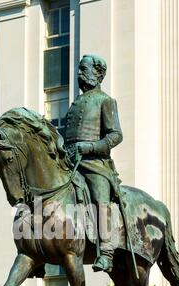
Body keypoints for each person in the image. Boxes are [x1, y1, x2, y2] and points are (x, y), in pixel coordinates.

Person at [64, 54, 123, 273]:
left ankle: (106, 251)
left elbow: (116, 135)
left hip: (95, 163)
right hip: (70, 161)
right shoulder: (75, 103)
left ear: (97, 74)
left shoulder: (105, 100)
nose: (79, 74)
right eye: (79, 70)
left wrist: (89, 147)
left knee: (100, 199)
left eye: (83, 70)